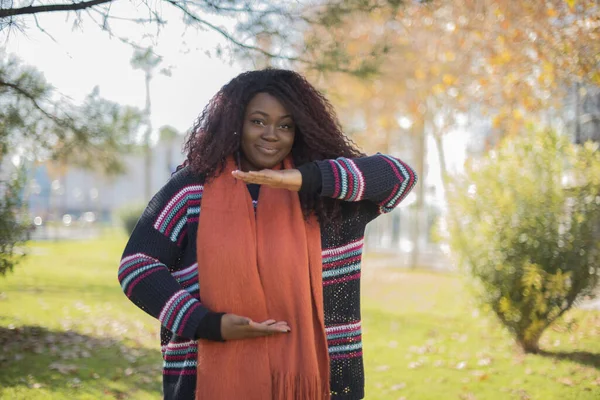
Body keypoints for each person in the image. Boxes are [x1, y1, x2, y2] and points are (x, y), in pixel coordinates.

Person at [118, 68, 417, 400]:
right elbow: (137, 266)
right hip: (204, 377)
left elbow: (400, 177)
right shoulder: (192, 189)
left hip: (318, 381)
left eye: (285, 125)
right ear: (235, 123)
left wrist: (309, 178)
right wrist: (205, 323)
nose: (271, 134)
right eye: (258, 121)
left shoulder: (328, 199)